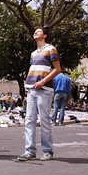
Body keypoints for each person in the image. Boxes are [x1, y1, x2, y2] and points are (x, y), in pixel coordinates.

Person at [17, 26, 60, 162]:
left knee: (44, 120)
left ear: (45, 35)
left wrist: (43, 81)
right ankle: (29, 151)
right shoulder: (33, 53)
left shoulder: (50, 49)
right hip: (31, 89)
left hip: (45, 90)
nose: (35, 32)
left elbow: (57, 69)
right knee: (29, 120)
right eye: (34, 31)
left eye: (39, 31)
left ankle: (48, 151)